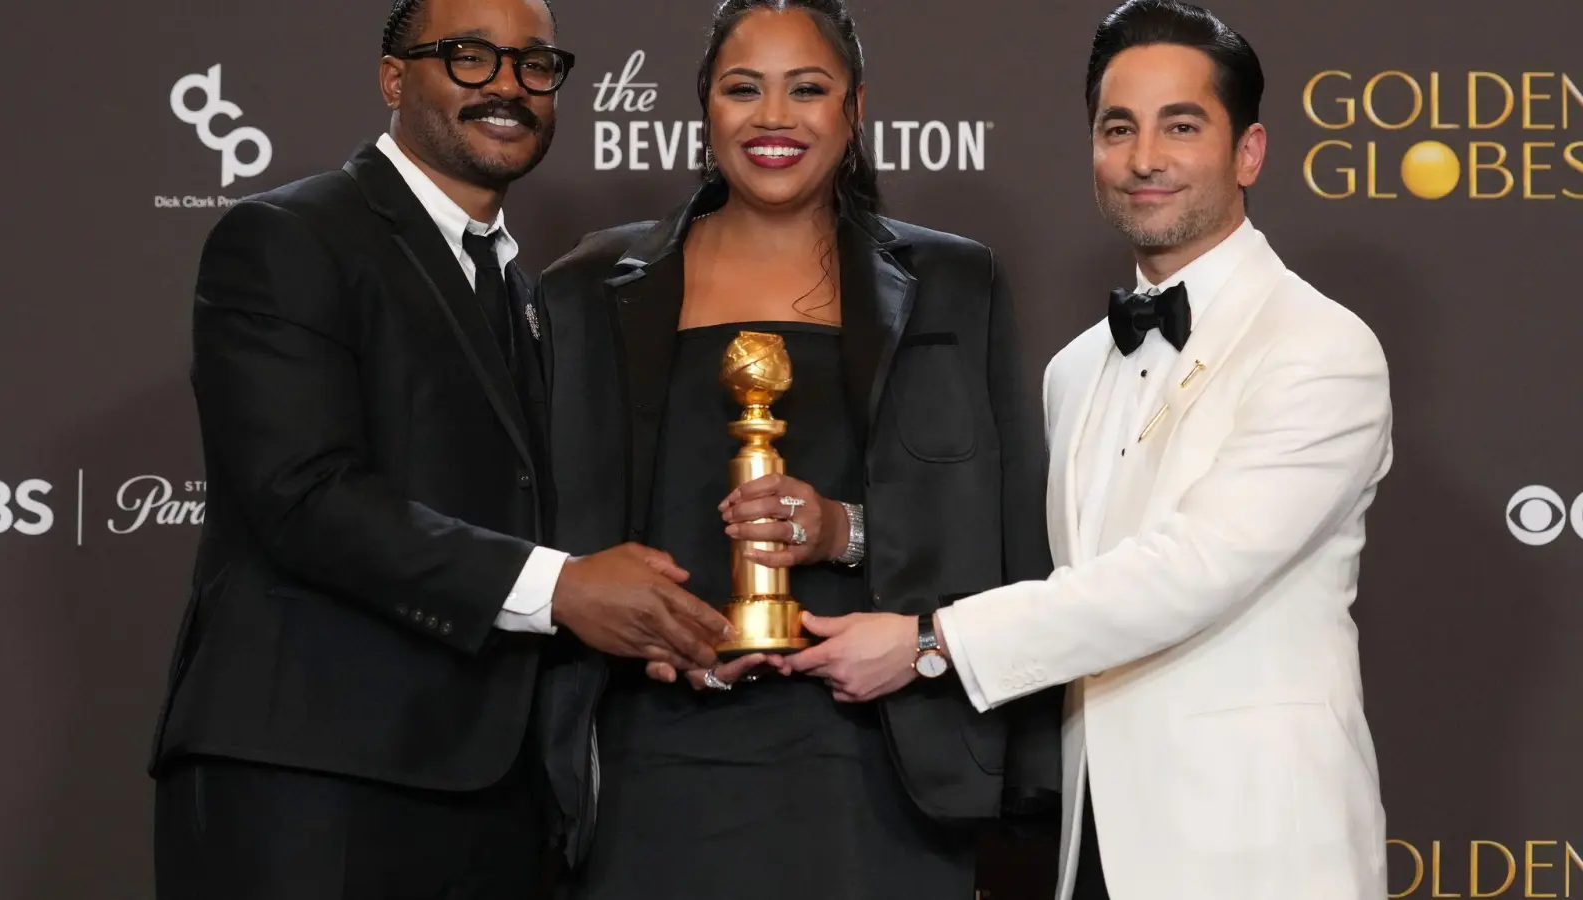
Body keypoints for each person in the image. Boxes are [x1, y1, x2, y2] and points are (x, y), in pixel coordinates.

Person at [786, 2, 1394, 899]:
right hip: (1094, 842)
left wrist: (928, 642)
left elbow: (1189, 571)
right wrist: (846, 533)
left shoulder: (1322, 347)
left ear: (1250, 151)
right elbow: (1019, 548)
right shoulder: (1074, 369)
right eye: (1119, 128)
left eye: (1181, 125)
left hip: (1259, 845)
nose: (1145, 157)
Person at [147, 0, 733, 896]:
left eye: (534, 64)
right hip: (310, 779)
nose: (508, 84)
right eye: (468, 57)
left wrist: (636, 620)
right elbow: (302, 495)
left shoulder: (525, 290)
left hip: (493, 790)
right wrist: (565, 588)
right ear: (392, 77)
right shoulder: (289, 236)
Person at [531, 1, 1058, 898]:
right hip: (653, 758)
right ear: (705, 107)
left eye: (807, 89)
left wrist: (840, 529)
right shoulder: (585, 289)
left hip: (881, 763)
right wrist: (633, 634)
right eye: (744, 89)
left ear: (854, 110)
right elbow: (543, 535)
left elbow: (1003, 534)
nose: (774, 117)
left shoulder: (955, 283)